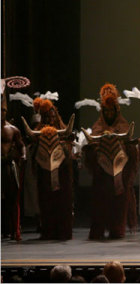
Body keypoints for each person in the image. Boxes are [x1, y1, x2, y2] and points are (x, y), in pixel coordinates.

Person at [82, 84, 138, 239]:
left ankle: (117, 228)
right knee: (100, 202)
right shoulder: (97, 126)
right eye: (106, 111)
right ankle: (98, 229)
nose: (109, 113)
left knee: (119, 203)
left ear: (116, 111)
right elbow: (91, 147)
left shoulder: (123, 125)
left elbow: (130, 149)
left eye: (111, 110)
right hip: (102, 175)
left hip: (120, 174)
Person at [28, 98, 74, 240]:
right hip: (45, 172)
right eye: (48, 117)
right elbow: (33, 151)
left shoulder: (63, 128)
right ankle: (48, 230)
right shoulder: (37, 132)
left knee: (63, 201)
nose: (51, 119)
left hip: (62, 172)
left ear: (57, 116)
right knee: (46, 201)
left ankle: (63, 231)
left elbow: (69, 148)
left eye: (53, 116)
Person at [1, 93, 26, 241]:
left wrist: (23, 156)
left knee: (12, 199)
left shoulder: (12, 129)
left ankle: (14, 230)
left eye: (3, 110)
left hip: (8, 166)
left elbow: (21, 146)